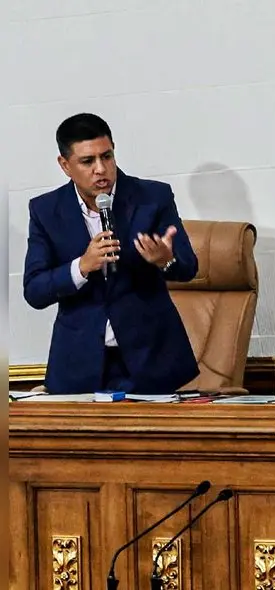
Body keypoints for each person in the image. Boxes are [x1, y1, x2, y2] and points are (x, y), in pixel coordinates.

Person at [23, 113, 200, 394]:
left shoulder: (152, 197)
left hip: (150, 360)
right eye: (87, 161)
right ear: (65, 165)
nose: (101, 169)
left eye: (106, 156)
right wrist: (81, 267)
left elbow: (188, 267)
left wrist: (165, 260)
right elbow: (35, 290)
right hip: (79, 365)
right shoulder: (45, 210)